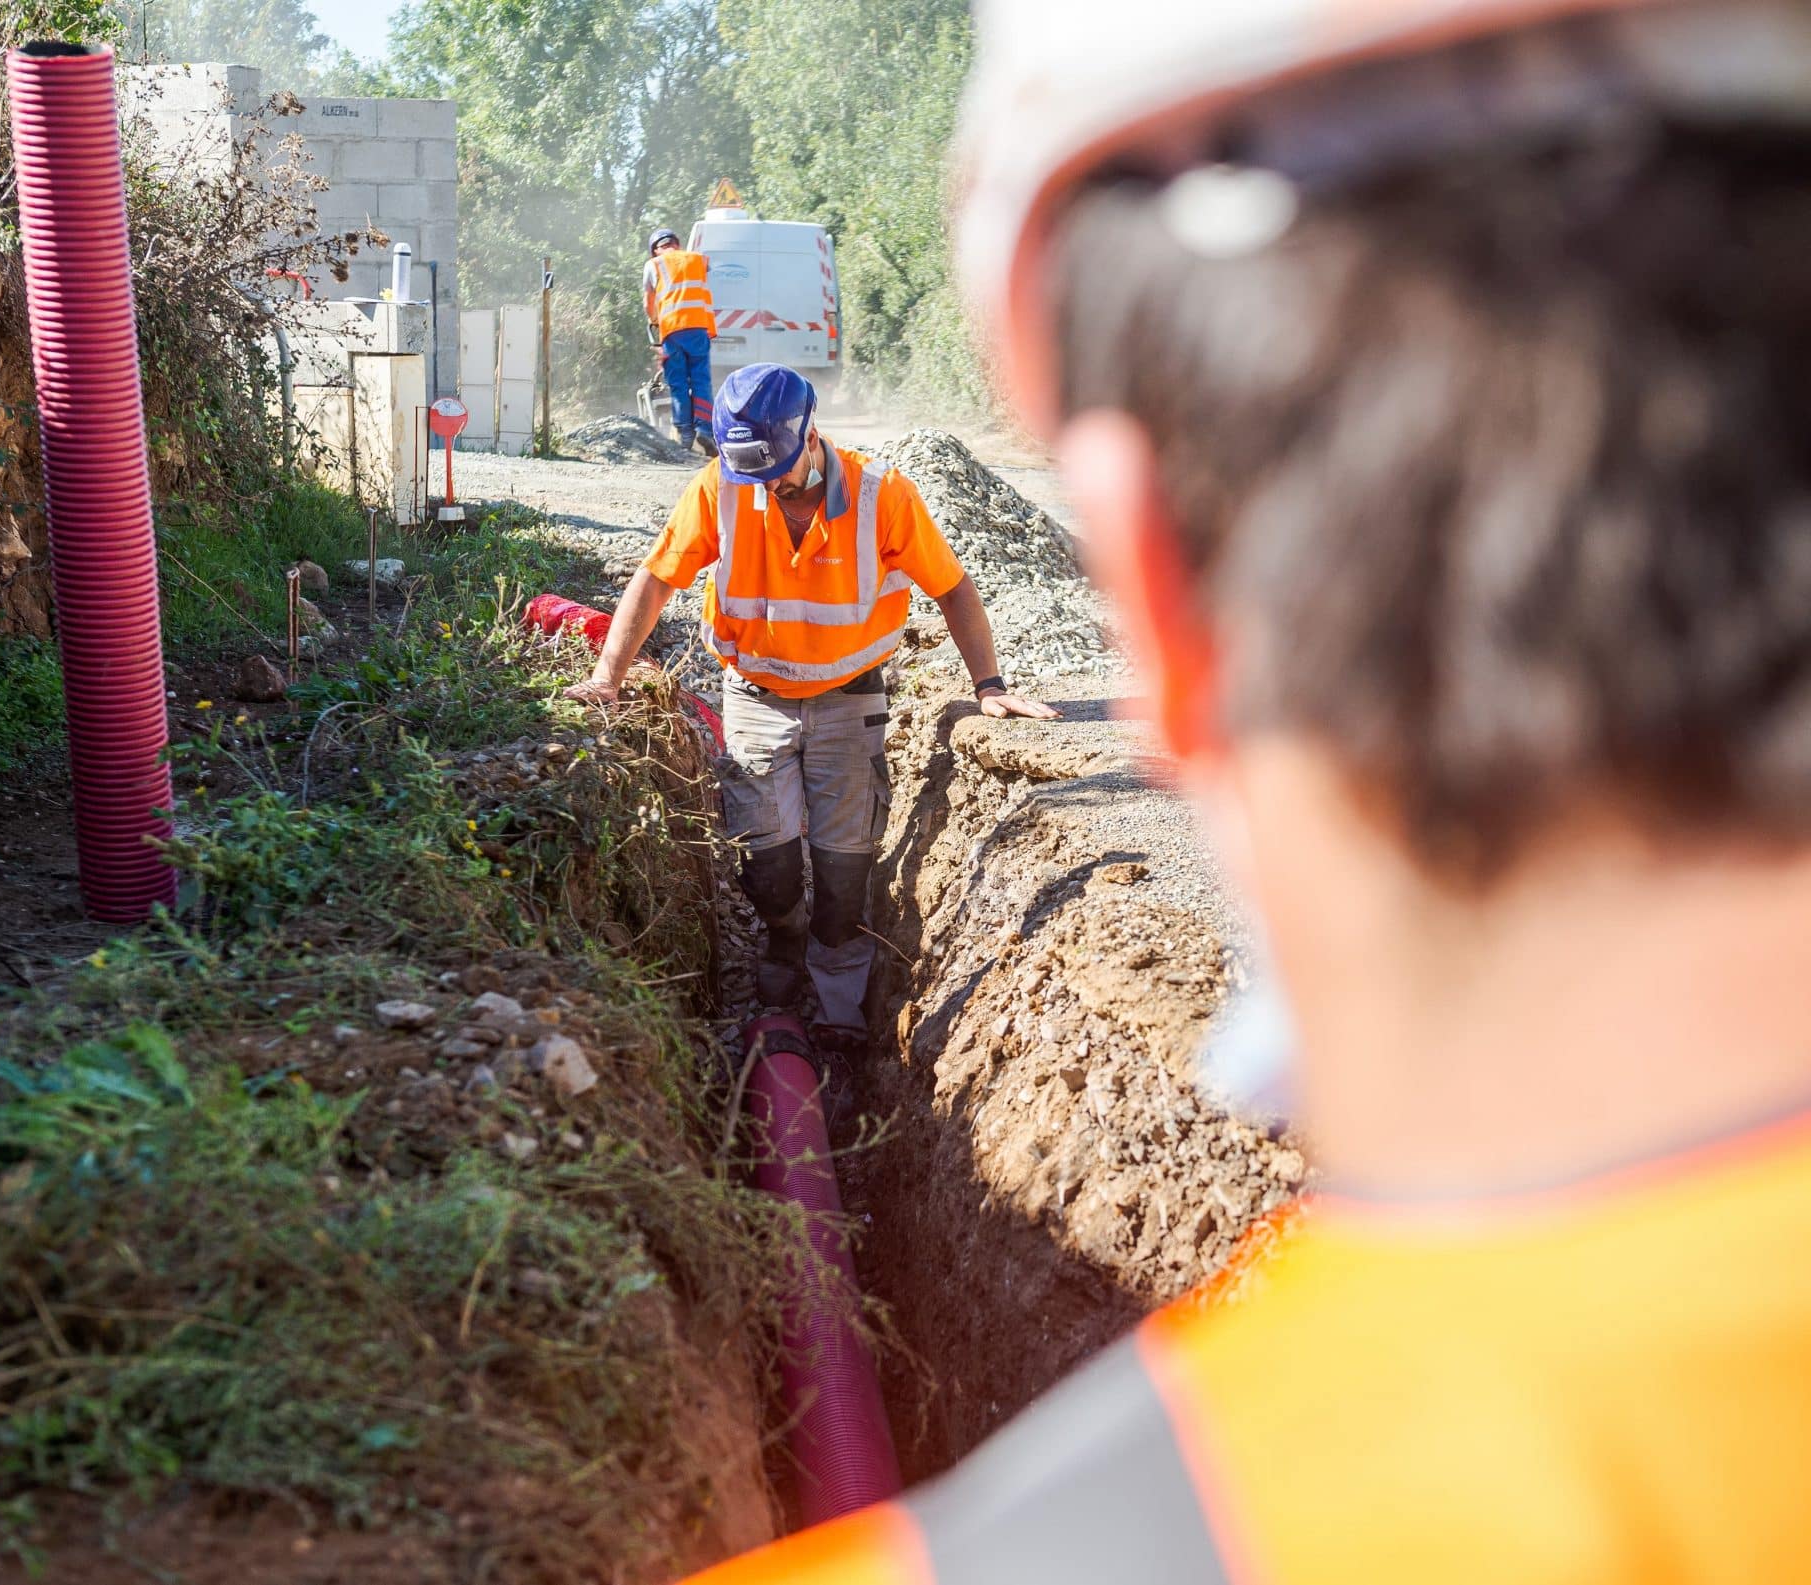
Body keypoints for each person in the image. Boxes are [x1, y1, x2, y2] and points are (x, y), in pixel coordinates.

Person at [677, 0, 1811, 1580]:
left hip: (853, 715)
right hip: (773, 708)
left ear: (1161, 603)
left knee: (849, 874)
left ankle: (837, 1016)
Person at [566, 363, 1057, 1082]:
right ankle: (781, 941)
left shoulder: (882, 496)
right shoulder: (721, 491)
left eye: (777, 473)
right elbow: (657, 577)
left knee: (843, 866)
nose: (765, 487)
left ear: (810, 435)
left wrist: (989, 685)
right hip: (756, 696)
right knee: (766, 861)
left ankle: (837, 996)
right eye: (751, 474)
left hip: (849, 701)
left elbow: (953, 588)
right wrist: (607, 676)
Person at [644, 226, 718, 452]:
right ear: (676, 243)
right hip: (698, 328)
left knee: (677, 384)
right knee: (701, 382)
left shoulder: (653, 265)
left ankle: (685, 434)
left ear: (656, 249)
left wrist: (655, 320)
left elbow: (649, 304)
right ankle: (705, 430)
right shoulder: (698, 259)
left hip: (672, 331)